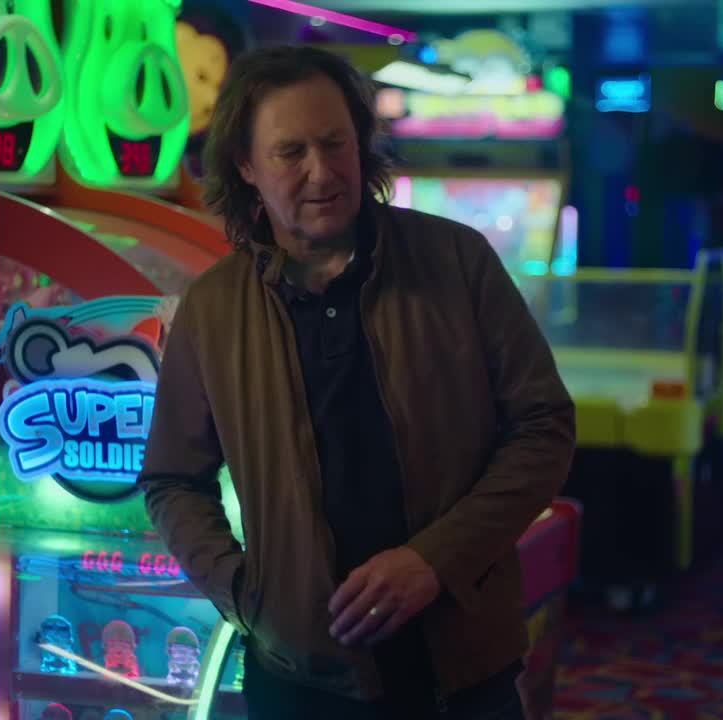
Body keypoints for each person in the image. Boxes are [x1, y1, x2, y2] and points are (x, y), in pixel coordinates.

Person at [137, 45, 575, 720]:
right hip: (298, 683)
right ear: (246, 166)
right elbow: (172, 480)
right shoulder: (214, 307)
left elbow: (544, 426)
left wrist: (435, 561)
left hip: (461, 668)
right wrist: (247, 595)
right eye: (291, 152)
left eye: (335, 142)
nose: (322, 171)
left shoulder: (456, 261)